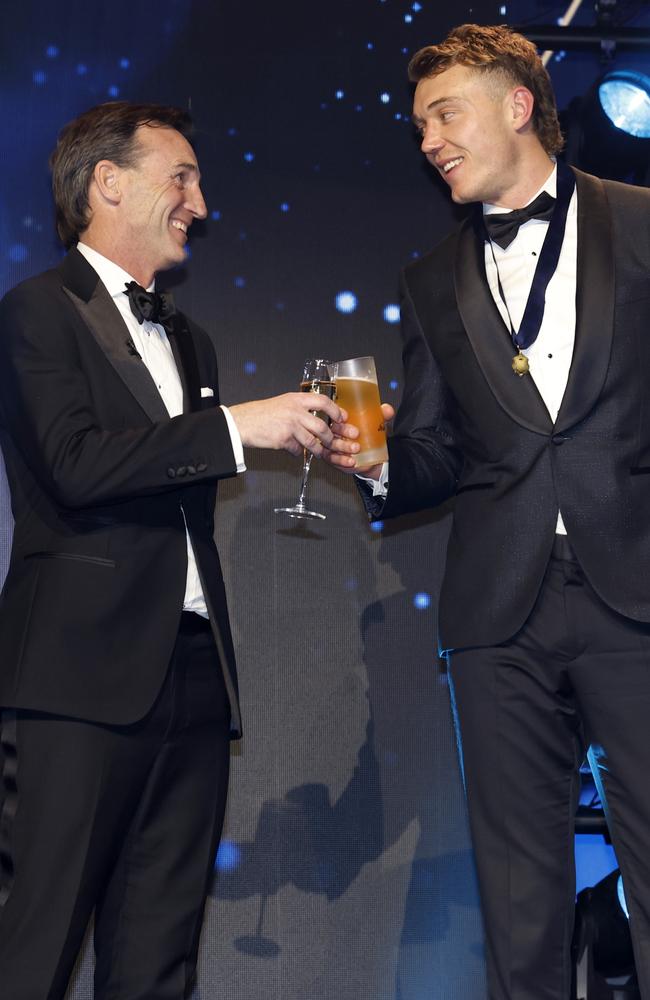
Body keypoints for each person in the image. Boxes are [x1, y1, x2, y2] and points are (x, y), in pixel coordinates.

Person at [0, 101, 355, 1000]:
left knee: (159, 958)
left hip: (194, 675)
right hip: (76, 680)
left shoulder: (191, 338)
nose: (201, 201)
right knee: (32, 945)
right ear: (107, 183)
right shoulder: (36, 311)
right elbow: (76, 466)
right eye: (183, 177)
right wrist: (237, 426)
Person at [327, 22, 650, 1000]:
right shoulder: (428, 281)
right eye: (418, 123)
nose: (426, 139)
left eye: (442, 114)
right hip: (494, 617)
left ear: (516, 104)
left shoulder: (640, 220)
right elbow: (430, 455)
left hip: (636, 590)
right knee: (515, 889)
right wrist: (373, 458)